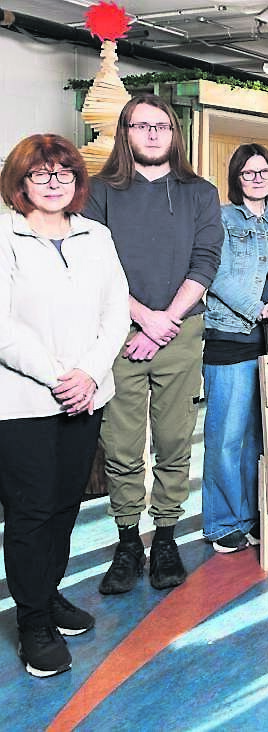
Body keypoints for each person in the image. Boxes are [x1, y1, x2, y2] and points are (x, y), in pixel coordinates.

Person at [0, 134, 129, 676]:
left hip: (86, 395)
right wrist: (59, 376)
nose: (54, 183)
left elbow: (116, 310)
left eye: (64, 173)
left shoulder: (94, 235)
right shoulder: (4, 236)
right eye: (41, 173)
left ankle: (46, 592)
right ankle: (32, 620)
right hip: (25, 399)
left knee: (64, 504)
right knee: (30, 511)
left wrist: (90, 373)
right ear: (21, 181)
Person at [84, 95, 222, 594]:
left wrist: (166, 322)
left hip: (181, 331)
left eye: (162, 125)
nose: (153, 133)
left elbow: (205, 262)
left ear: (174, 134)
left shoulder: (199, 193)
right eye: (142, 125)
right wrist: (145, 320)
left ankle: (165, 535)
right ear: (126, 132)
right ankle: (127, 539)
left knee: (173, 439)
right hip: (117, 332)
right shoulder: (98, 192)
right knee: (121, 444)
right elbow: (95, 268)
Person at [201, 143, 268, 552]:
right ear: (236, 178)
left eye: (264, 172)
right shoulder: (221, 218)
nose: (257, 178)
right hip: (230, 336)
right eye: (249, 173)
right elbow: (215, 273)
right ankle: (225, 522)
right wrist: (259, 308)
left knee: (264, 436)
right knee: (228, 433)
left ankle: (259, 514)